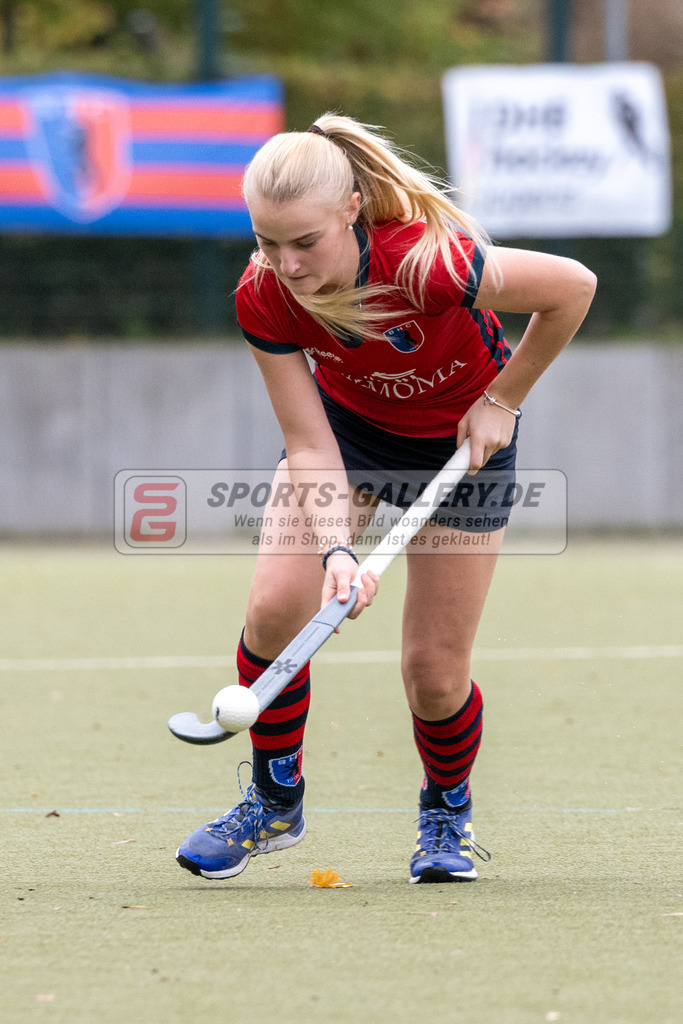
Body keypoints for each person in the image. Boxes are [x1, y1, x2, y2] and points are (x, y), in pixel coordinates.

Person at [176, 114, 596, 884]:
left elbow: (573, 287)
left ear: (349, 210)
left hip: (465, 448)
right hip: (350, 441)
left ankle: (445, 811)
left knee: (433, 673)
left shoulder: (427, 265)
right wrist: (339, 549)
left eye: (304, 242)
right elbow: (307, 444)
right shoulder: (264, 295)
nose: (287, 264)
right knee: (276, 609)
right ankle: (275, 801)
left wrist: (503, 399)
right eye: (268, 242)